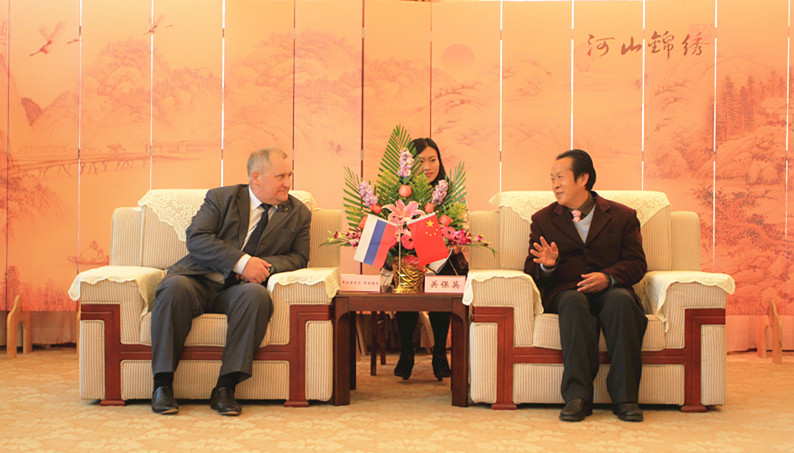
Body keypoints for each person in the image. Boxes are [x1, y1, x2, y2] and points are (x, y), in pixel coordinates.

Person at [150, 148, 311, 416]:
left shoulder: (298, 212)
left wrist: (263, 267)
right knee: (172, 289)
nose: (287, 183)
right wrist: (241, 262)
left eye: (289, 175)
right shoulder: (221, 198)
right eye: (280, 176)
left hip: (240, 290)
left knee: (256, 297)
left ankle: (226, 388)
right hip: (198, 279)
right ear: (256, 177)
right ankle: (162, 385)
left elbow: (299, 257)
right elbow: (197, 238)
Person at [523, 149, 647, 422]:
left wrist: (608, 277)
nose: (555, 185)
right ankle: (577, 398)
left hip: (611, 289)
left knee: (621, 301)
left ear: (583, 178)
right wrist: (547, 265)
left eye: (560, 177)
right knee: (573, 302)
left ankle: (626, 398)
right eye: (552, 179)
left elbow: (637, 263)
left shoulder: (623, 216)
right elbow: (530, 269)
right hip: (567, 290)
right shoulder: (543, 219)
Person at [393, 138, 469, 381]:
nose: (427, 166)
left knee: (443, 277)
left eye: (432, 160)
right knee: (404, 276)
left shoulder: (450, 192)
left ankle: (439, 353)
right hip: (409, 258)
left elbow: (462, 232)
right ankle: (406, 352)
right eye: (421, 161)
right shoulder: (399, 192)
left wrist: (449, 245)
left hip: (443, 261)